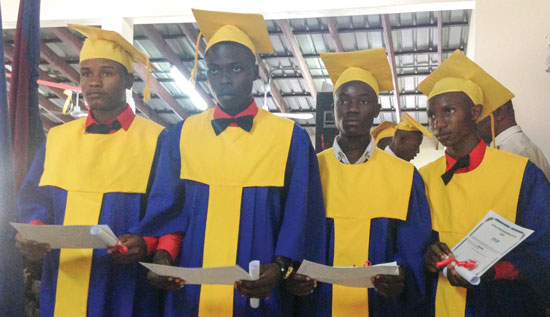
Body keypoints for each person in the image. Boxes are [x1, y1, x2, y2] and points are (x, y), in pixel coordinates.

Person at [137, 9, 326, 316]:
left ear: (255, 71)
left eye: (235, 68)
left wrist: (280, 269)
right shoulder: (183, 134)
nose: (223, 80)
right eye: (214, 70)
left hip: (261, 292)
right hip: (192, 294)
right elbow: (169, 210)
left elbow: (301, 216)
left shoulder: (289, 138)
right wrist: (163, 259)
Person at [14, 25, 176, 316]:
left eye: (107, 73)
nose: (94, 82)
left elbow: (168, 210)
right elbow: (34, 201)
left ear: (128, 79)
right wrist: (33, 233)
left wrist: (146, 243)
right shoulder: (59, 139)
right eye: (86, 73)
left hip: (126, 283)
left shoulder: (157, 139)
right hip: (63, 275)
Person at [286, 48, 432, 316]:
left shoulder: (404, 176)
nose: (352, 108)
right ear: (333, 107)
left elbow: (414, 246)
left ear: (377, 109)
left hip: (380, 306)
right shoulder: (309, 171)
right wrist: (291, 275)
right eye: (344, 100)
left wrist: (402, 276)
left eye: (363, 101)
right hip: (318, 305)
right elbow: (293, 239)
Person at [418, 49, 550, 316]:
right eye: (432, 115)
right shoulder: (423, 177)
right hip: (439, 302)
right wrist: (428, 255)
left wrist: (493, 271)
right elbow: (415, 242)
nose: (438, 123)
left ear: (475, 112)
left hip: (499, 303)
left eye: (449, 111)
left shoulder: (520, 173)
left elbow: (543, 248)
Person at [477, 99, 550, 181]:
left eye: (478, 112)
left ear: (500, 111)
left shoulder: (507, 152)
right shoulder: (520, 145)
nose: (472, 121)